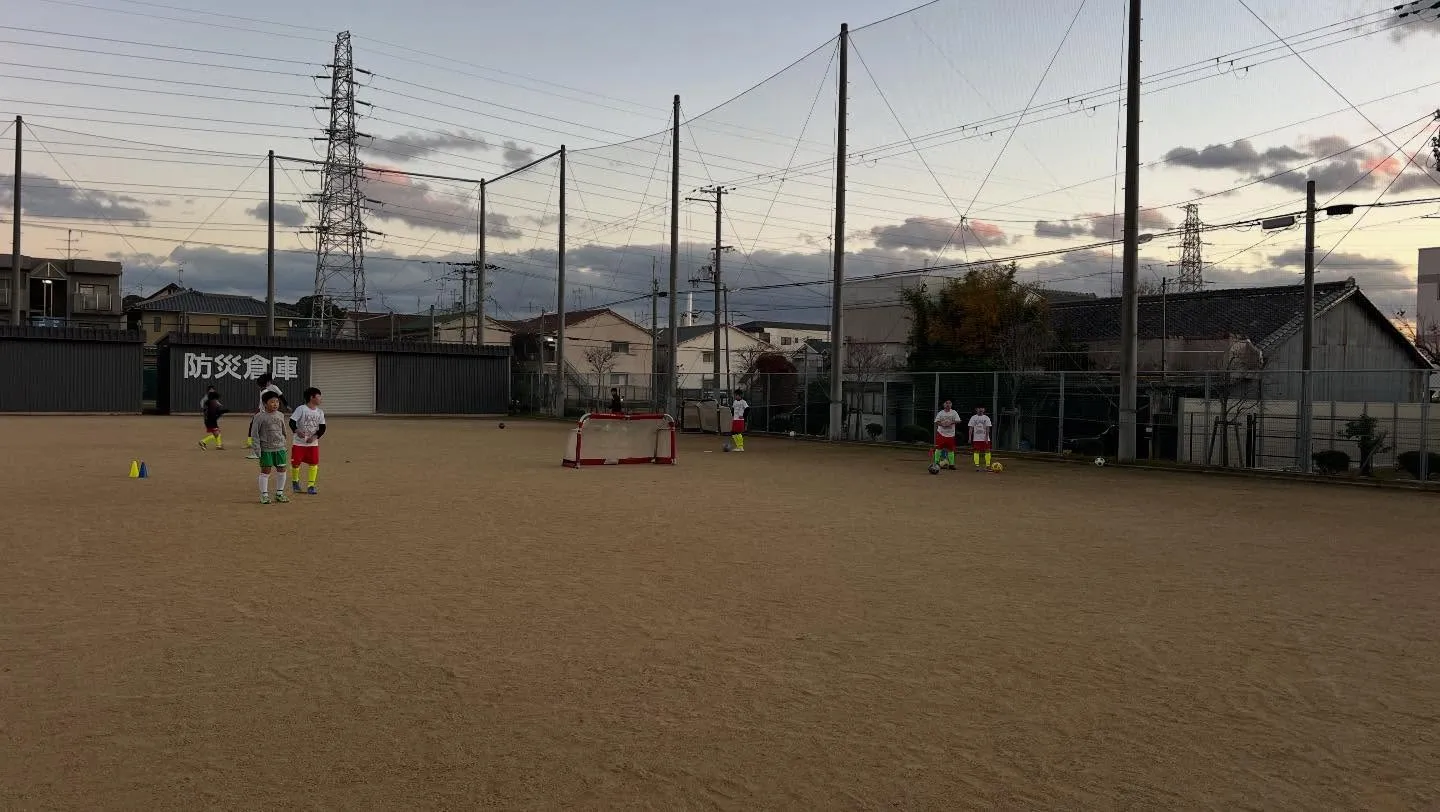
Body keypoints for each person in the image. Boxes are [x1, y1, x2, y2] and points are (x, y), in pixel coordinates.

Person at [253, 390, 291, 504]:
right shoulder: (259, 417)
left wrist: (284, 443)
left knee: (282, 470)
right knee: (266, 471)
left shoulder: (280, 415)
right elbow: (254, 434)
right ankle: (264, 495)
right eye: (272, 402)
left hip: (280, 448)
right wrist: (257, 449)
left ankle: (279, 493)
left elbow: (283, 431)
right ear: (265, 404)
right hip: (266, 449)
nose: (275, 404)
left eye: (277, 402)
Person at [289, 387, 326, 495]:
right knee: (295, 463)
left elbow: (322, 428)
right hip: (299, 443)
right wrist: (297, 431)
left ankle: (311, 485)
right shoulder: (301, 409)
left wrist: (315, 437)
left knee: (313, 463)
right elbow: (292, 422)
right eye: (319, 396)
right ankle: (295, 482)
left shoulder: (320, 412)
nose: (321, 399)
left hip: (313, 444)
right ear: (312, 397)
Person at [246, 374, 285, 459]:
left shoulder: (265, 392)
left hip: (263, 415)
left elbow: (265, 405)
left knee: (259, 433)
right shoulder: (265, 391)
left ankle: (257, 452)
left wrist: (262, 413)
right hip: (263, 414)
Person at [932, 398, 961, 470]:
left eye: (949, 403)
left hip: (951, 434)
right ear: (943, 404)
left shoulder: (954, 412)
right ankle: (936, 463)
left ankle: (951, 464)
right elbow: (936, 421)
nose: (948, 405)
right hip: (941, 433)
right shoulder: (941, 413)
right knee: (938, 448)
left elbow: (958, 421)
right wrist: (942, 424)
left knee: (951, 449)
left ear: (951, 404)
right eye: (946, 403)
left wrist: (951, 422)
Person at [968, 405, 994, 471]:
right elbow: (971, 428)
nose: (980, 409)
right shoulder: (973, 418)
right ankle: (977, 466)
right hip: (976, 438)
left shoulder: (986, 418)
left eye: (982, 408)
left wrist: (986, 438)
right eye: (979, 408)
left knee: (987, 451)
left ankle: (988, 466)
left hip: (985, 438)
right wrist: (970, 438)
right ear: (976, 409)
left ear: (984, 409)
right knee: (976, 451)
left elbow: (988, 428)